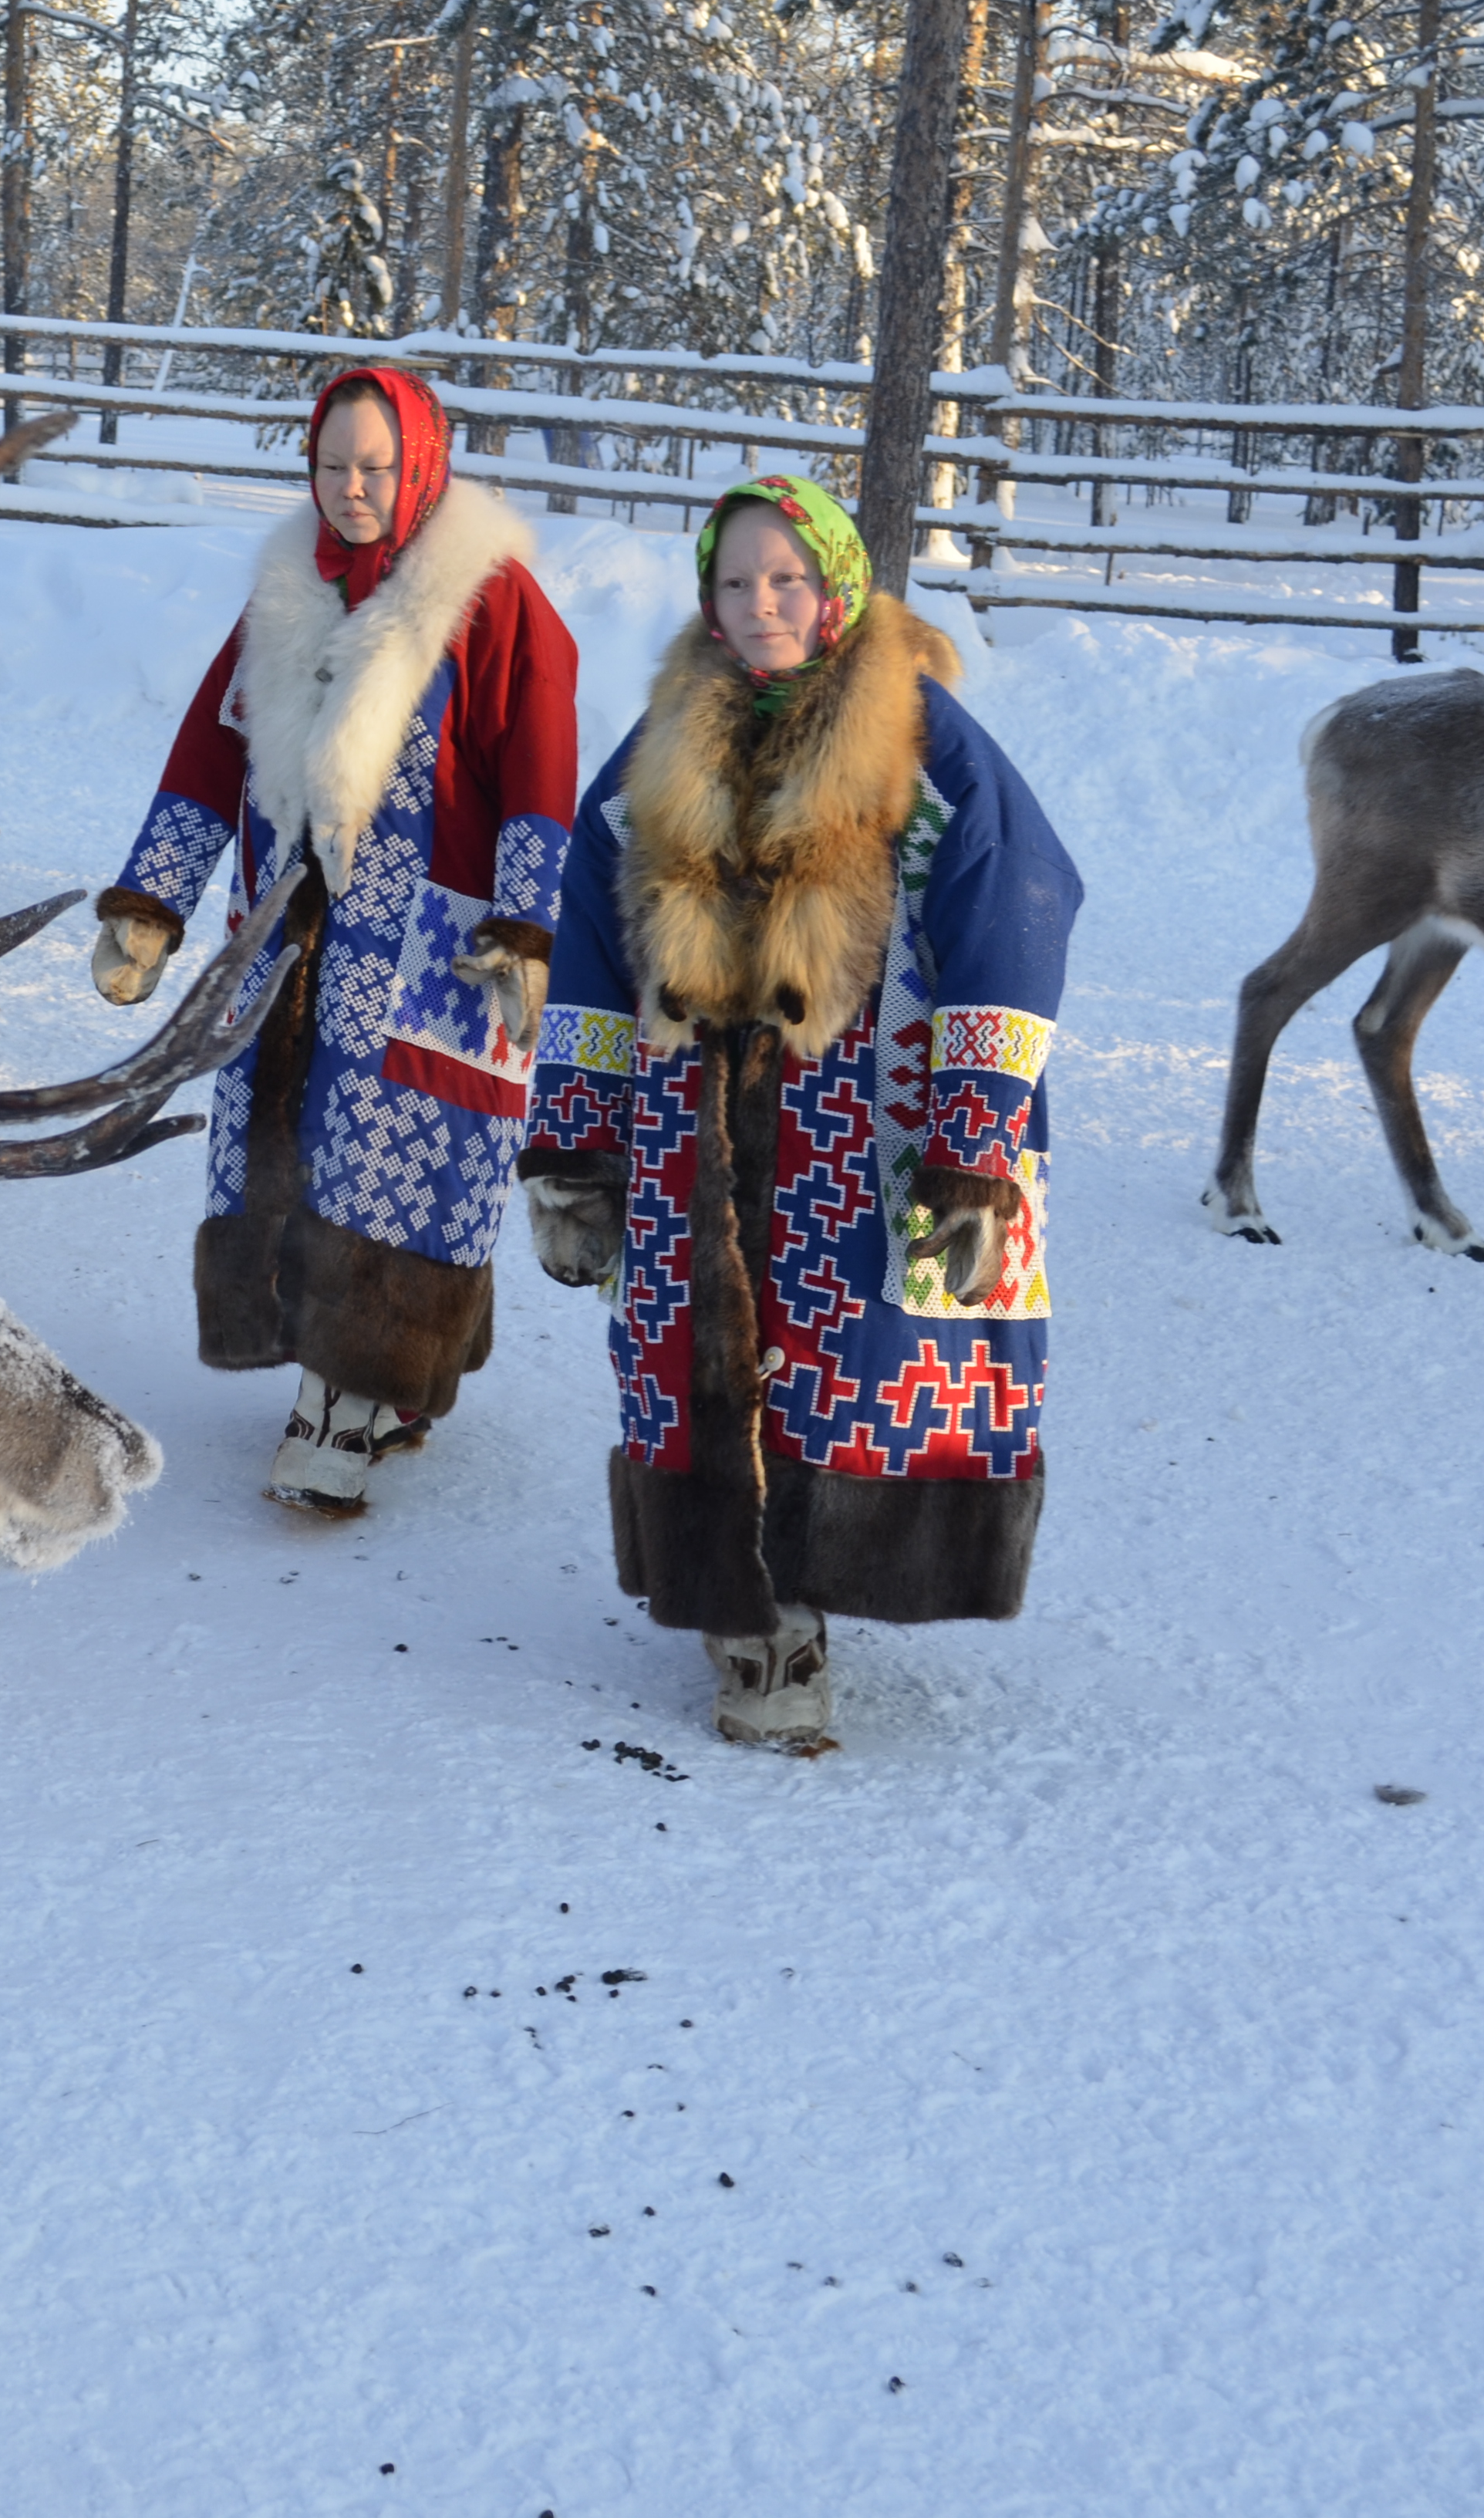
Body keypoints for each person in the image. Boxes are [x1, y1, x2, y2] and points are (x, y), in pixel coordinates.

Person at [521, 477, 1081, 1750]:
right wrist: (573, 1145)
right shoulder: (660, 737)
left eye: (784, 580)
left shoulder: (921, 739)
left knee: (840, 1373)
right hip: (688, 1129)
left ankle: (813, 1577)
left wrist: (974, 1146)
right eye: (732, 582)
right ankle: (755, 1628)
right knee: (694, 1361)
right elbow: (591, 937)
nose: (758, 604)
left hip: (857, 1125)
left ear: (834, 589)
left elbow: (1017, 913)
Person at [92, 366, 582, 1517]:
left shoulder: (493, 598)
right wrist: (153, 902)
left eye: (374, 468)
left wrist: (527, 923)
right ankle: (394, 1373)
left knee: (398, 1161)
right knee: (297, 1146)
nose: (351, 491)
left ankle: (347, 1405)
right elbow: (212, 750)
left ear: (421, 465)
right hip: (295, 937)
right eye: (330, 467)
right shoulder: (287, 588)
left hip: (440, 951)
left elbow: (538, 774)